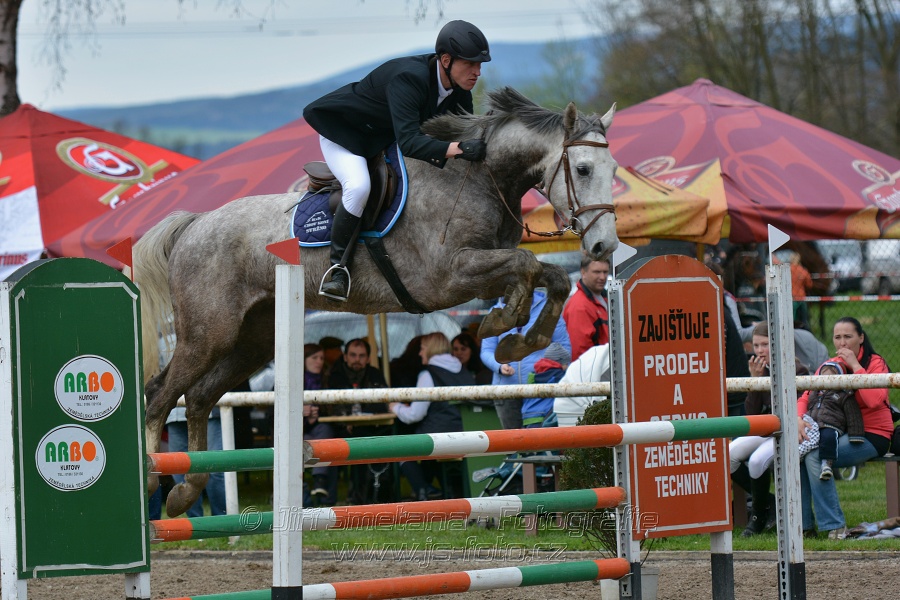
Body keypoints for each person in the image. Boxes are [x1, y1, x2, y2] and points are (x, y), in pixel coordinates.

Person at [303, 20, 491, 300]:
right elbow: (411, 142)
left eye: (480, 65)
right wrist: (460, 149)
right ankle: (337, 270)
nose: (477, 72)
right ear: (447, 60)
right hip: (346, 135)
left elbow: (464, 132)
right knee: (359, 186)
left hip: (382, 138)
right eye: (471, 64)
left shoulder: (460, 91)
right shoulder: (410, 78)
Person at [797, 317, 894, 539]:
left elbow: (874, 400)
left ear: (861, 338)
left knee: (815, 457)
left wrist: (856, 367)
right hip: (839, 432)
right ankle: (803, 527)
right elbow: (806, 393)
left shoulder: (875, 363)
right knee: (800, 455)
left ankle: (834, 526)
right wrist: (799, 418)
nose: (843, 343)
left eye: (848, 337)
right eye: (837, 337)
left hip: (872, 434)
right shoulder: (831, 365)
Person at [729, 322, 809, 536]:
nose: (760, 350)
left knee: (756, 461)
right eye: (755, 345)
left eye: (765, 344)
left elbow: (796, 407)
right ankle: (768, 505)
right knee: (728, 455)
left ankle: (757, 517)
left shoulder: (798, 369)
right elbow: (752, 414)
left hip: (791, 430)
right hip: (767, 429)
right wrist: (755, 381)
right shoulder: (758, 369)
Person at [389, 332, 471, 500]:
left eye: (423, 349)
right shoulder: (464, 371)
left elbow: (414, 415)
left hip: (438, 436)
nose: (420, 353)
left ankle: (424, 491)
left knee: (399, 450)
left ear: (431, 350)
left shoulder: (428, 375)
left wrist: (395, 407)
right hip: (466, 435)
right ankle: (441, 491)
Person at [480, 289, 571, 429]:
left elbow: (564, 348)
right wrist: (499, 366)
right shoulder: (496, 311)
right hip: (505, 391)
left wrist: (548, 370)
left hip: (541, 389)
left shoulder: (549, 310)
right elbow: (486, 351)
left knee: (540, 443)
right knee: (512, 444)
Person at [325, 338, 391, 504]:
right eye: (353, 355)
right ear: (345, 356)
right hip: (340, 429)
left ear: (368, 358)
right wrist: (345, 419)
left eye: (361, 356)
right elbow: (329, 407)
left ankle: (376, 492)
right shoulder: (334, 375)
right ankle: (354, 494)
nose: (357, 359)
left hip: (372, 427)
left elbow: (384, 403)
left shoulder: (375, 373)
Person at [804, 360, 865, 481]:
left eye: (831, 378)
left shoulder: (844, 395)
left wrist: (856, 435)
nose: (826, 381)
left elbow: (853, 415)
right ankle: (800, 455)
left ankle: (827, 463)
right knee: (806, 439)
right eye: (823, 378)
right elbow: (809, 407)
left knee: (828, 438)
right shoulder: (815, 394)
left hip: (832, 425)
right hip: (815, 425)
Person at [302, 343, 338, 506]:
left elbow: (335, 411)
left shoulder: (328, 380)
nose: (319, 361)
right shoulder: (289, 380)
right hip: (297, 435)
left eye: (322, 358)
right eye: (314, 357)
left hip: (319, 433)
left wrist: (318, 414)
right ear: (303, 360)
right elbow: (274, 415)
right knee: (325, 443)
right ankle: (319, 481)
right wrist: (301, 415)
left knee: (326, 431)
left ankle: (320, 482)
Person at [563, 256, 610, 361]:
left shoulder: (605, 299)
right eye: (597, 272)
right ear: (583, 272)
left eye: (605, 272)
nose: (602, 277)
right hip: (594, 372)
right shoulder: (580, 306)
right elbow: (580, 353)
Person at [522, 342, 570, 428]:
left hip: (528, 416)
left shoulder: (533, 374)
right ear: (561, 362)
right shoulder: (559, 376)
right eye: (566, 363)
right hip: (543, 416)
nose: (567, 367)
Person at [788, 250, 813, 329]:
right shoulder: (803, 270)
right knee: (804, 319)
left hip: (791, 297)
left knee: (791, 319)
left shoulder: (787, 270)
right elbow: (809, 284)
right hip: (801, 297)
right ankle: (805, 331)